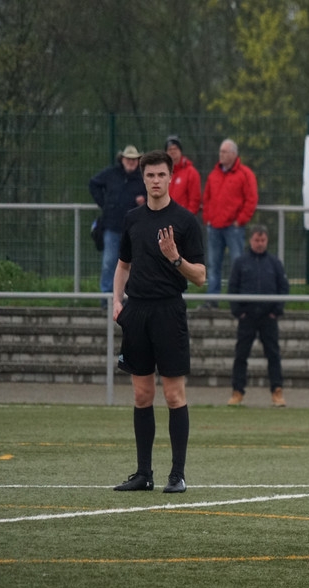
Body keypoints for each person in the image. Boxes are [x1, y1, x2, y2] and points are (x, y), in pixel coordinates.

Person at [112, 149, 206, 494]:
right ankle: (143, 474)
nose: (155, 180)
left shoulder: (185, 221)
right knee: (141, 395)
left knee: (174, 395)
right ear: (143, 177)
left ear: (170, 177)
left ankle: (177, 475)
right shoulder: (132, 219)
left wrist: (175, 258)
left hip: (169, 312)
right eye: (149, 175)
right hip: (137, 312)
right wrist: (117, 300)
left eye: (161, 175)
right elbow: (123, 265)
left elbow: (201, 277)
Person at [227, 224, 290, 408]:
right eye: (257, 240)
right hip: (247, 317)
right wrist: (239, 312)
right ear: (251, 240)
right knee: (241, 355)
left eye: (263, 240)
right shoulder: (240, 262)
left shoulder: (275, 263)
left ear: (267, 240)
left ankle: (277, 391)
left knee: (273, 354)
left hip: (268, 317)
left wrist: (275, 311)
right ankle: (237, 392)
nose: (260, 243)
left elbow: (283, 288)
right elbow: (232, 288)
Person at [202, 138, 258, 308]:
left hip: (233, 228)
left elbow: (251, 199)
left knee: (237, 264)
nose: (221, 155)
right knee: (213, 265)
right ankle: (212, 299)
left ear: (234, 154)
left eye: (225, 152)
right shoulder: (214, 174)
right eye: (220, 151)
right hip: (215, 227)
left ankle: (238, 300)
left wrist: (240, 221)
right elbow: (207, 198)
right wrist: (208, 218)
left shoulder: (245, 174)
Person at [89, 145, 147, 304]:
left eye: (134, 159)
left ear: (138, 160)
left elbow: (154, 194)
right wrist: (105, 203)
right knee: (109, 262)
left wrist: (144, 201)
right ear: (122, 159)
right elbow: (93, 183)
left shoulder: (143, 178)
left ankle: (129, 297)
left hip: (134, 229)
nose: (131, 162)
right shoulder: (111, 173)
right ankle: (107, 299)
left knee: (132, 264)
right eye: (128, 159)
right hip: (112, 226)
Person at [165, 135, 202, 215]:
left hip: (182, 218)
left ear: (180, 151)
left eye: (175, 149)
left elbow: (195, 200)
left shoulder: (191, 172)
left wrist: (187, 217)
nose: (172, 152)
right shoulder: (163, 173)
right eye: (170, 149)